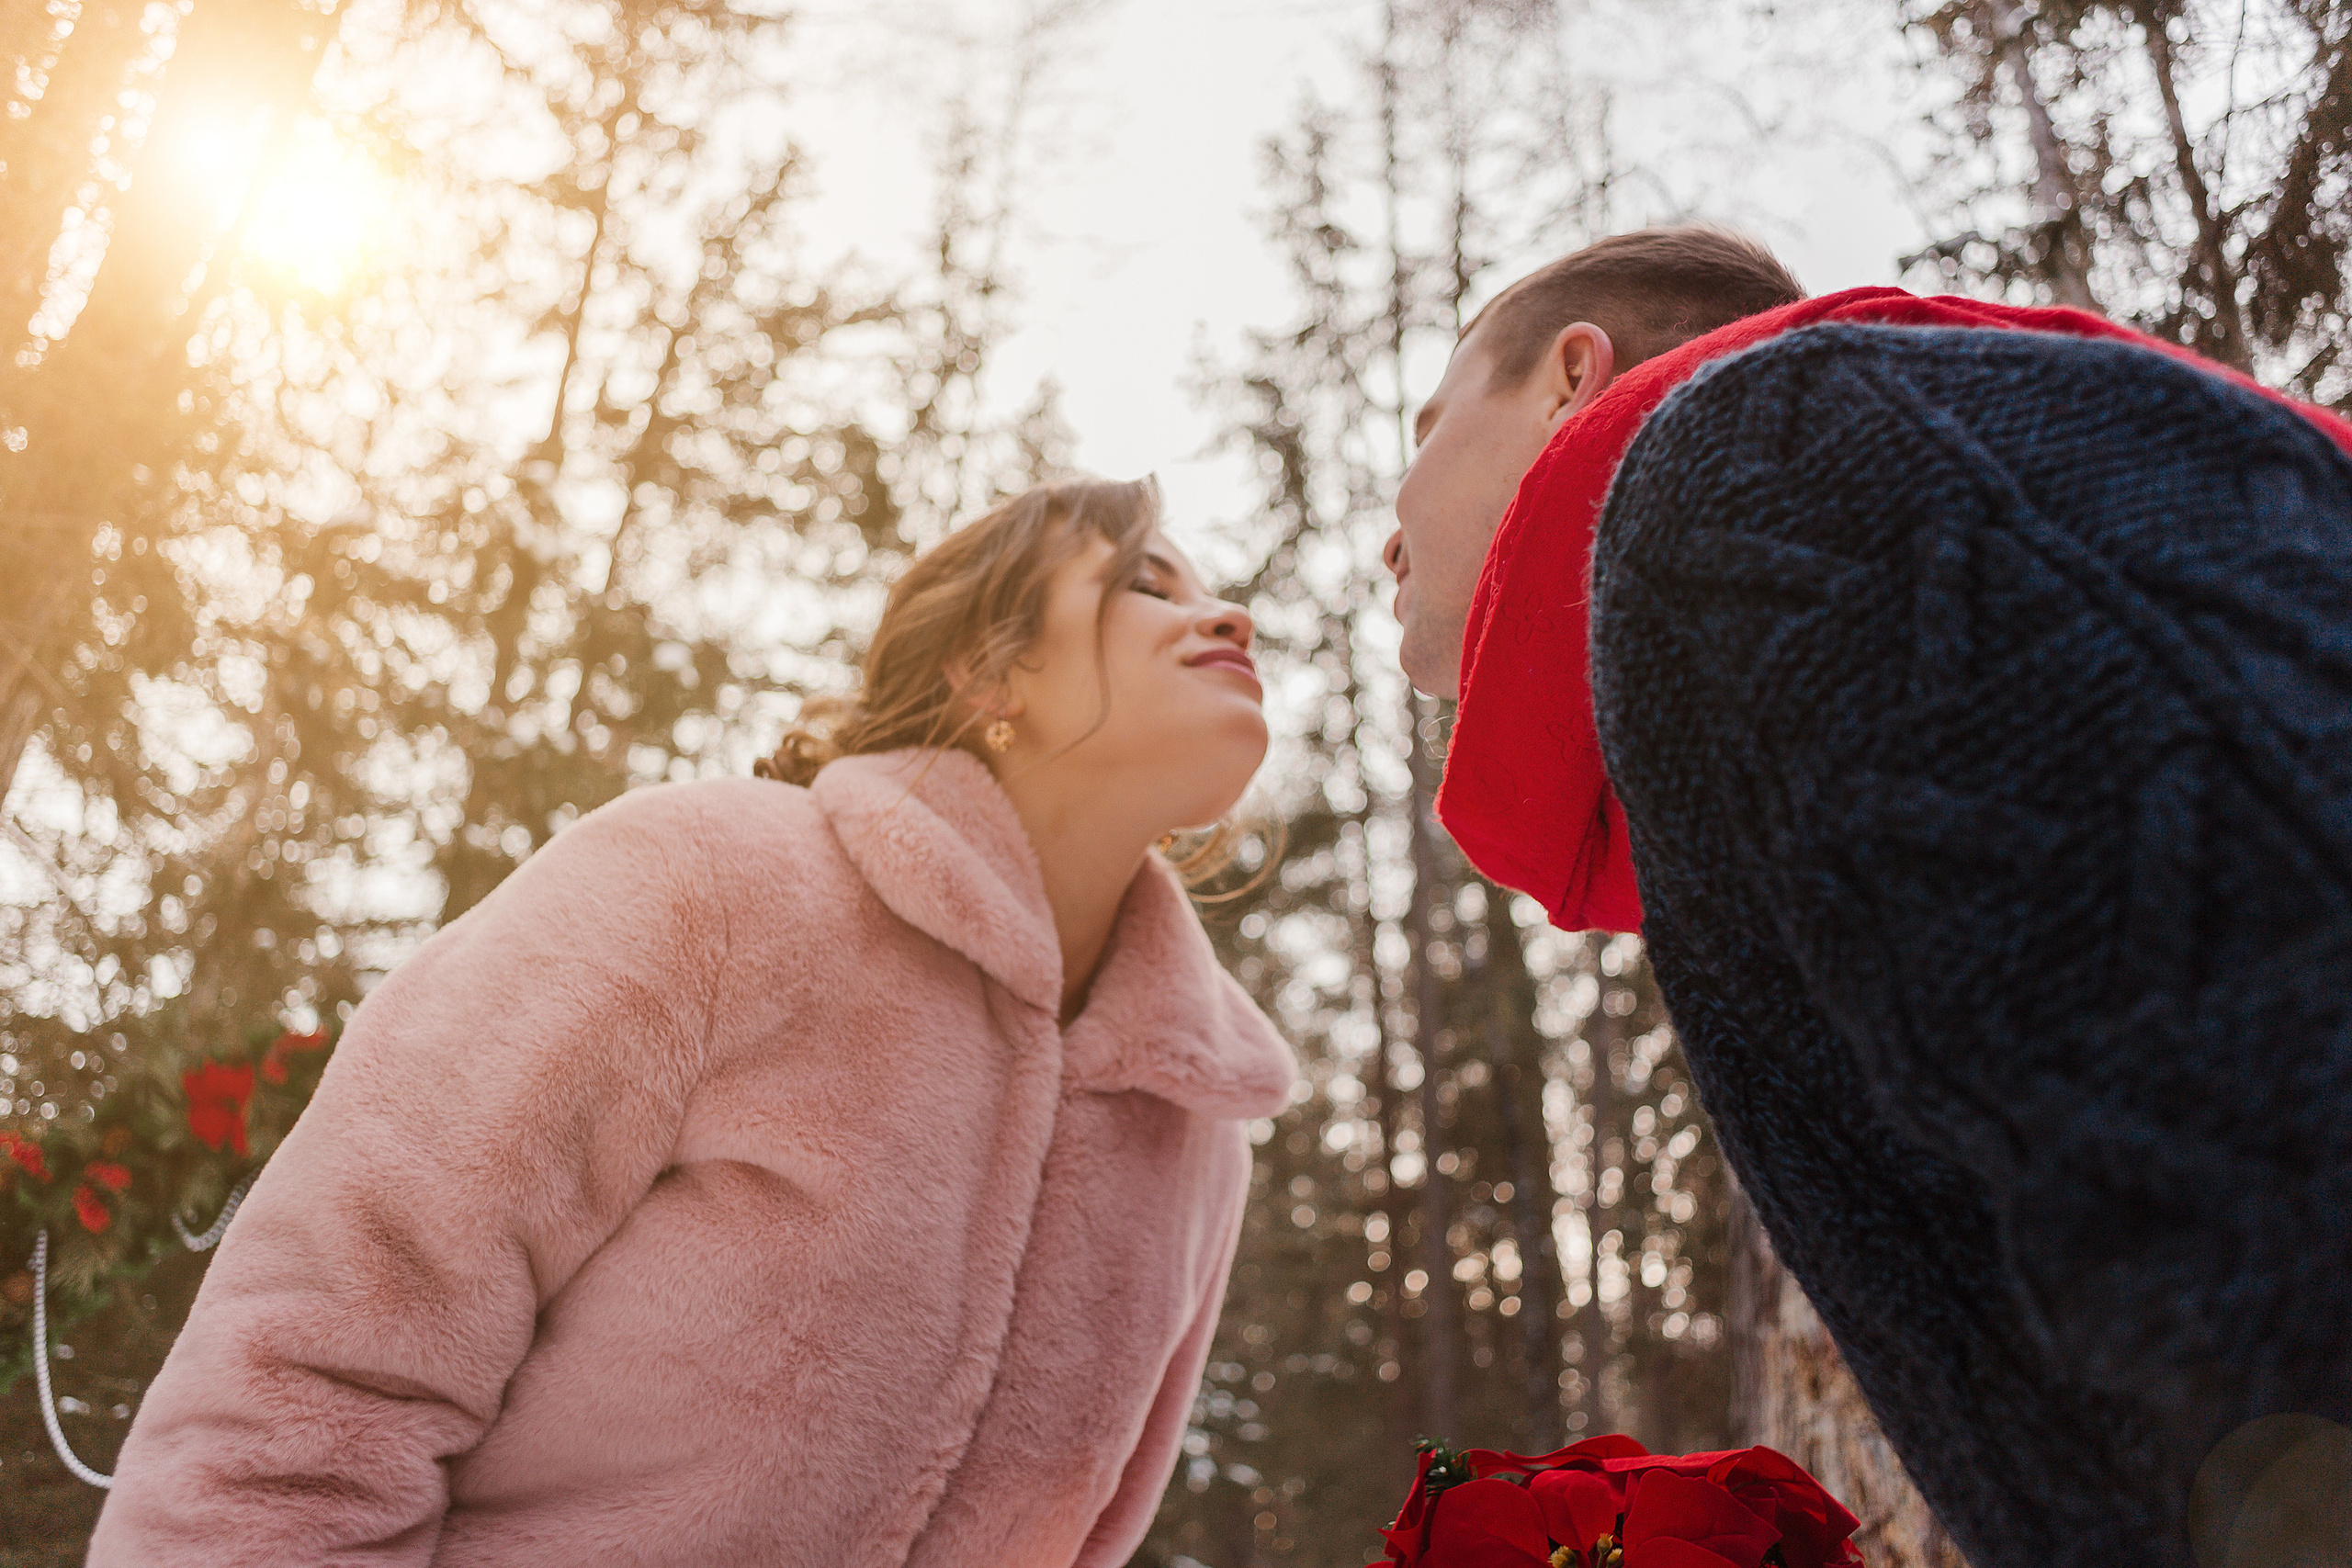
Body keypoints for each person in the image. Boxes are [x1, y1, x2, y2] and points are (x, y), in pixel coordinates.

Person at [89, 476, 1298, 1567]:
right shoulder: (711, 882)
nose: (1227, 616)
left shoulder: (1193, 1124)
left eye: (1218, 590)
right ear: (988, 673)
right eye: (1144, 584)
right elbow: (323, 1358)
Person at [1388, 227, 2352, 1568]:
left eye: (1426, 425)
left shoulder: (1760, 456)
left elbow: (2264, 1044)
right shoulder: (1735, 633)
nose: (1394, 516)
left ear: (1569, 375)